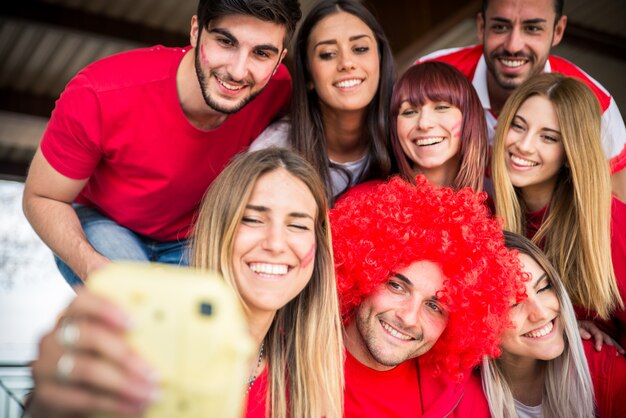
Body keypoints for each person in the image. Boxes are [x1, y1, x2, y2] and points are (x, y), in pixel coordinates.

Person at [26, 148, 344, 418]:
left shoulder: (308, 375)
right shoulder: (142, 343)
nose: (276, 243)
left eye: (298, 225)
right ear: (219, 229)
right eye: (252, 219)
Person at [22, 0, 302, 287]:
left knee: (205, 322)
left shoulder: (278, 90)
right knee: (134, 308)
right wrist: (89, 264)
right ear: (195, 32)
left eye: (261, 53)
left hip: (193, 237)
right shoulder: (99, 92)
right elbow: (43, 197)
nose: (238, 71)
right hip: (106, 223)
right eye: (225, 41)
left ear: (279, 59)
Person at [330, 176, 524, 417]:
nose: (409, 318)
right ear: (360, 275)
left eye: (434, 306)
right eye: (397, 286)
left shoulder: (463, 404)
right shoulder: (284, 366)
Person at [418, 0, 626, 201]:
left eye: (532, 28)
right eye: (500, 27)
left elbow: (617, 203)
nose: (513, 45)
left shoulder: (596, 104)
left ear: (558, 30)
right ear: (481, 26)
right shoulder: (430, 75)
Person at [491, 73, 625, 346]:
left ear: (570, 153)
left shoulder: (610, 222)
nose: (524, 146)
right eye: (518, 126)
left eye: (548, 138)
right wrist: (564, 322)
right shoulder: (487, 215)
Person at [250, 0, 395, 203]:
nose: (346, 63)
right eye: (327, 54)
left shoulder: (409, 133)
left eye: (360, 48)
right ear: (309, 74)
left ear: (380, 59)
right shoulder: (273, 150)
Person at [482, 231, 626, 418]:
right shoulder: (459, 393)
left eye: (544, 287)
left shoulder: (604, 369)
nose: (540, 313)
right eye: (513, 304)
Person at [390, 61, 488, 191]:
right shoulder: (363, 201)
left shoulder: (493, 210)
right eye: (409, 112)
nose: (424, 124)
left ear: (470, 117)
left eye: (441, 107)